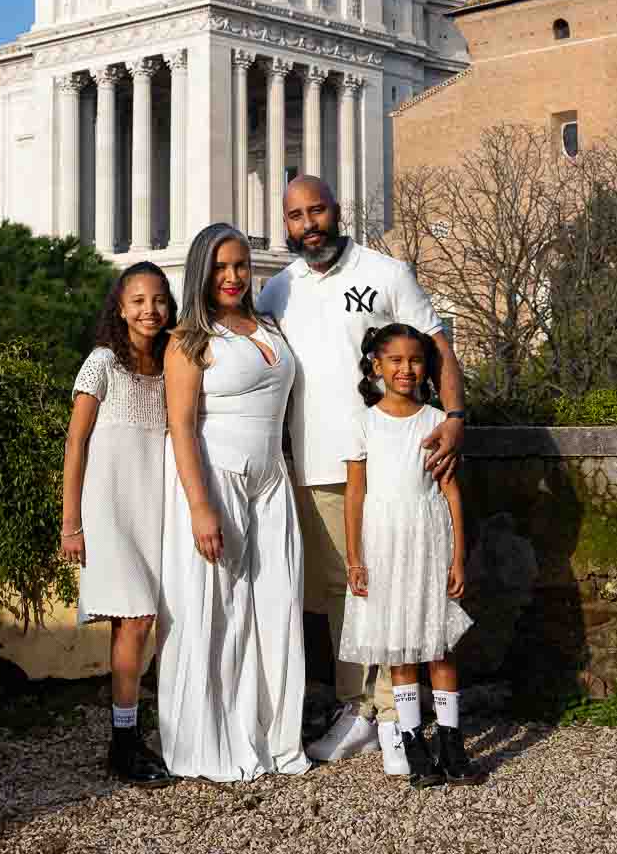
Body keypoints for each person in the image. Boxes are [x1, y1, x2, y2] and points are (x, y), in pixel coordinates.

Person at [256, 175, 465, 773]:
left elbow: (439, 347)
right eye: (295, 215)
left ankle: (386, 715)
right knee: (341, 592)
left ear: (336, 211)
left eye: (315, 210)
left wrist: (454, 417)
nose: (307, 224)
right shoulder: (279, 291)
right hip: (314, 461)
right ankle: (365, 709)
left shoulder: (387, 271)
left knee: (389, 587)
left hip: (394, 464)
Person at [158, 223, 310, 782]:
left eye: (241, 265)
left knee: (277, 604)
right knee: (215, 609)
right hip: (214, 476)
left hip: (272, 479)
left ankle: (274, 737)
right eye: (221, 266)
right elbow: (179, 427)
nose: (232, 276)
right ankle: (210, 741)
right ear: (202, 270)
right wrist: (201, 508)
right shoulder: (188, 340)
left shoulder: (268, 324)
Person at [340, 324, 480, 788]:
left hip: (429, 540)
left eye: (415, 360)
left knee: (438, 645)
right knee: (400, 647)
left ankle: (451, 741)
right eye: (395, 360)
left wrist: (458, 558)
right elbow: (355, 494)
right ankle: (411, 739)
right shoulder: (363, 421)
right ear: (377, 366)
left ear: (426, 367)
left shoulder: (435, 420)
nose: (406, 369)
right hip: (383, 544)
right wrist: (354, 558)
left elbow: (451, 493)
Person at [62, 262, 177, 788]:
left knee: (152, 622)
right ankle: (124, 742)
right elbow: (76, 442)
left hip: (158, 506)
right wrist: (71, 524)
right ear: (120, 307)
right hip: (110, 510)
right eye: (137, 301)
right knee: (132, 619)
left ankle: (144, 733)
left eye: (158, 300)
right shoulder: (101, 363)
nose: (149, 310)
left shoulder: (173, 363)